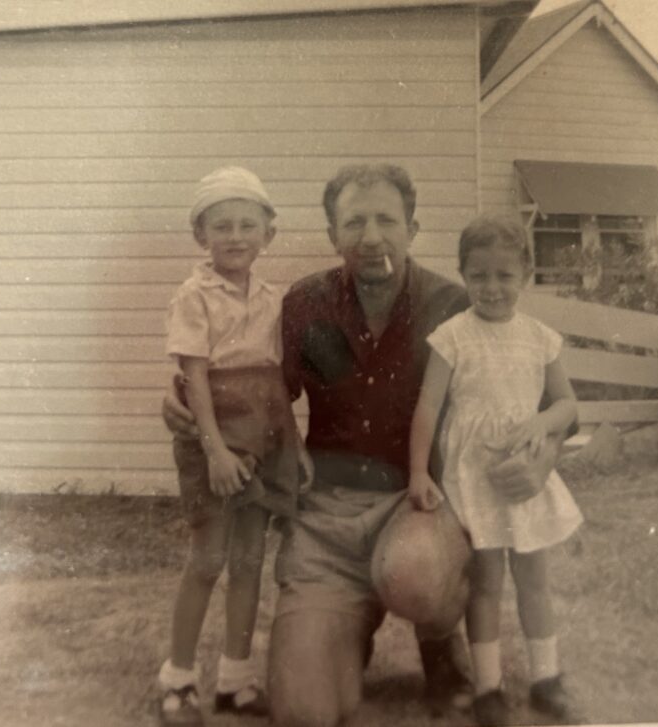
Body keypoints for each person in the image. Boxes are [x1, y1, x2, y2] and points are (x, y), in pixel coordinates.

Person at [163, 164, 569, 727]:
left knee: (418, 574)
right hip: (326, 518)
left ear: (413, 228)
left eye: (386, 220)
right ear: (333, 236)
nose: (371, 235)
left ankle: (438, 645)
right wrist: (180, 399)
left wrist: (544, 451)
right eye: (354, 222)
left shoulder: (455, 305)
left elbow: (533, 389)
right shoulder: (303, 304)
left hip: (415, 505)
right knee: (304, 709)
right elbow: (251, 377)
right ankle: (346, 639)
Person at [408, 215, 583, 726]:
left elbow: (568, 404)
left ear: (525, 274)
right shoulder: (452, 336)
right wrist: (419, 471)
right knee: (485, 582)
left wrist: (544, 420)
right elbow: (427, 408)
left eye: (505, 276)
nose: (492, 288)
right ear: (463, 274)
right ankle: (487, 687)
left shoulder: (539, 337)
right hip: (474, 475)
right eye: (479, 275)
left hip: (523, 469)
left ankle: (547, 680)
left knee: (533, 578)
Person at [156, 166, 308, 726]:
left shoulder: (272, 299)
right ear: (202, 236)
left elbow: (273, 385)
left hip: (265, 438)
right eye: (222, 226)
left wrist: (296, 446)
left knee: (249, 560)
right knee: (209, 559)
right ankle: (177, 679)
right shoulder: (193, 297)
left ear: (267, 235)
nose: (236, 236)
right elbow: (195, 381)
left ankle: (235, 679)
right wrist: (215, 451)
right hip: (214, 439)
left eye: (248, 225)